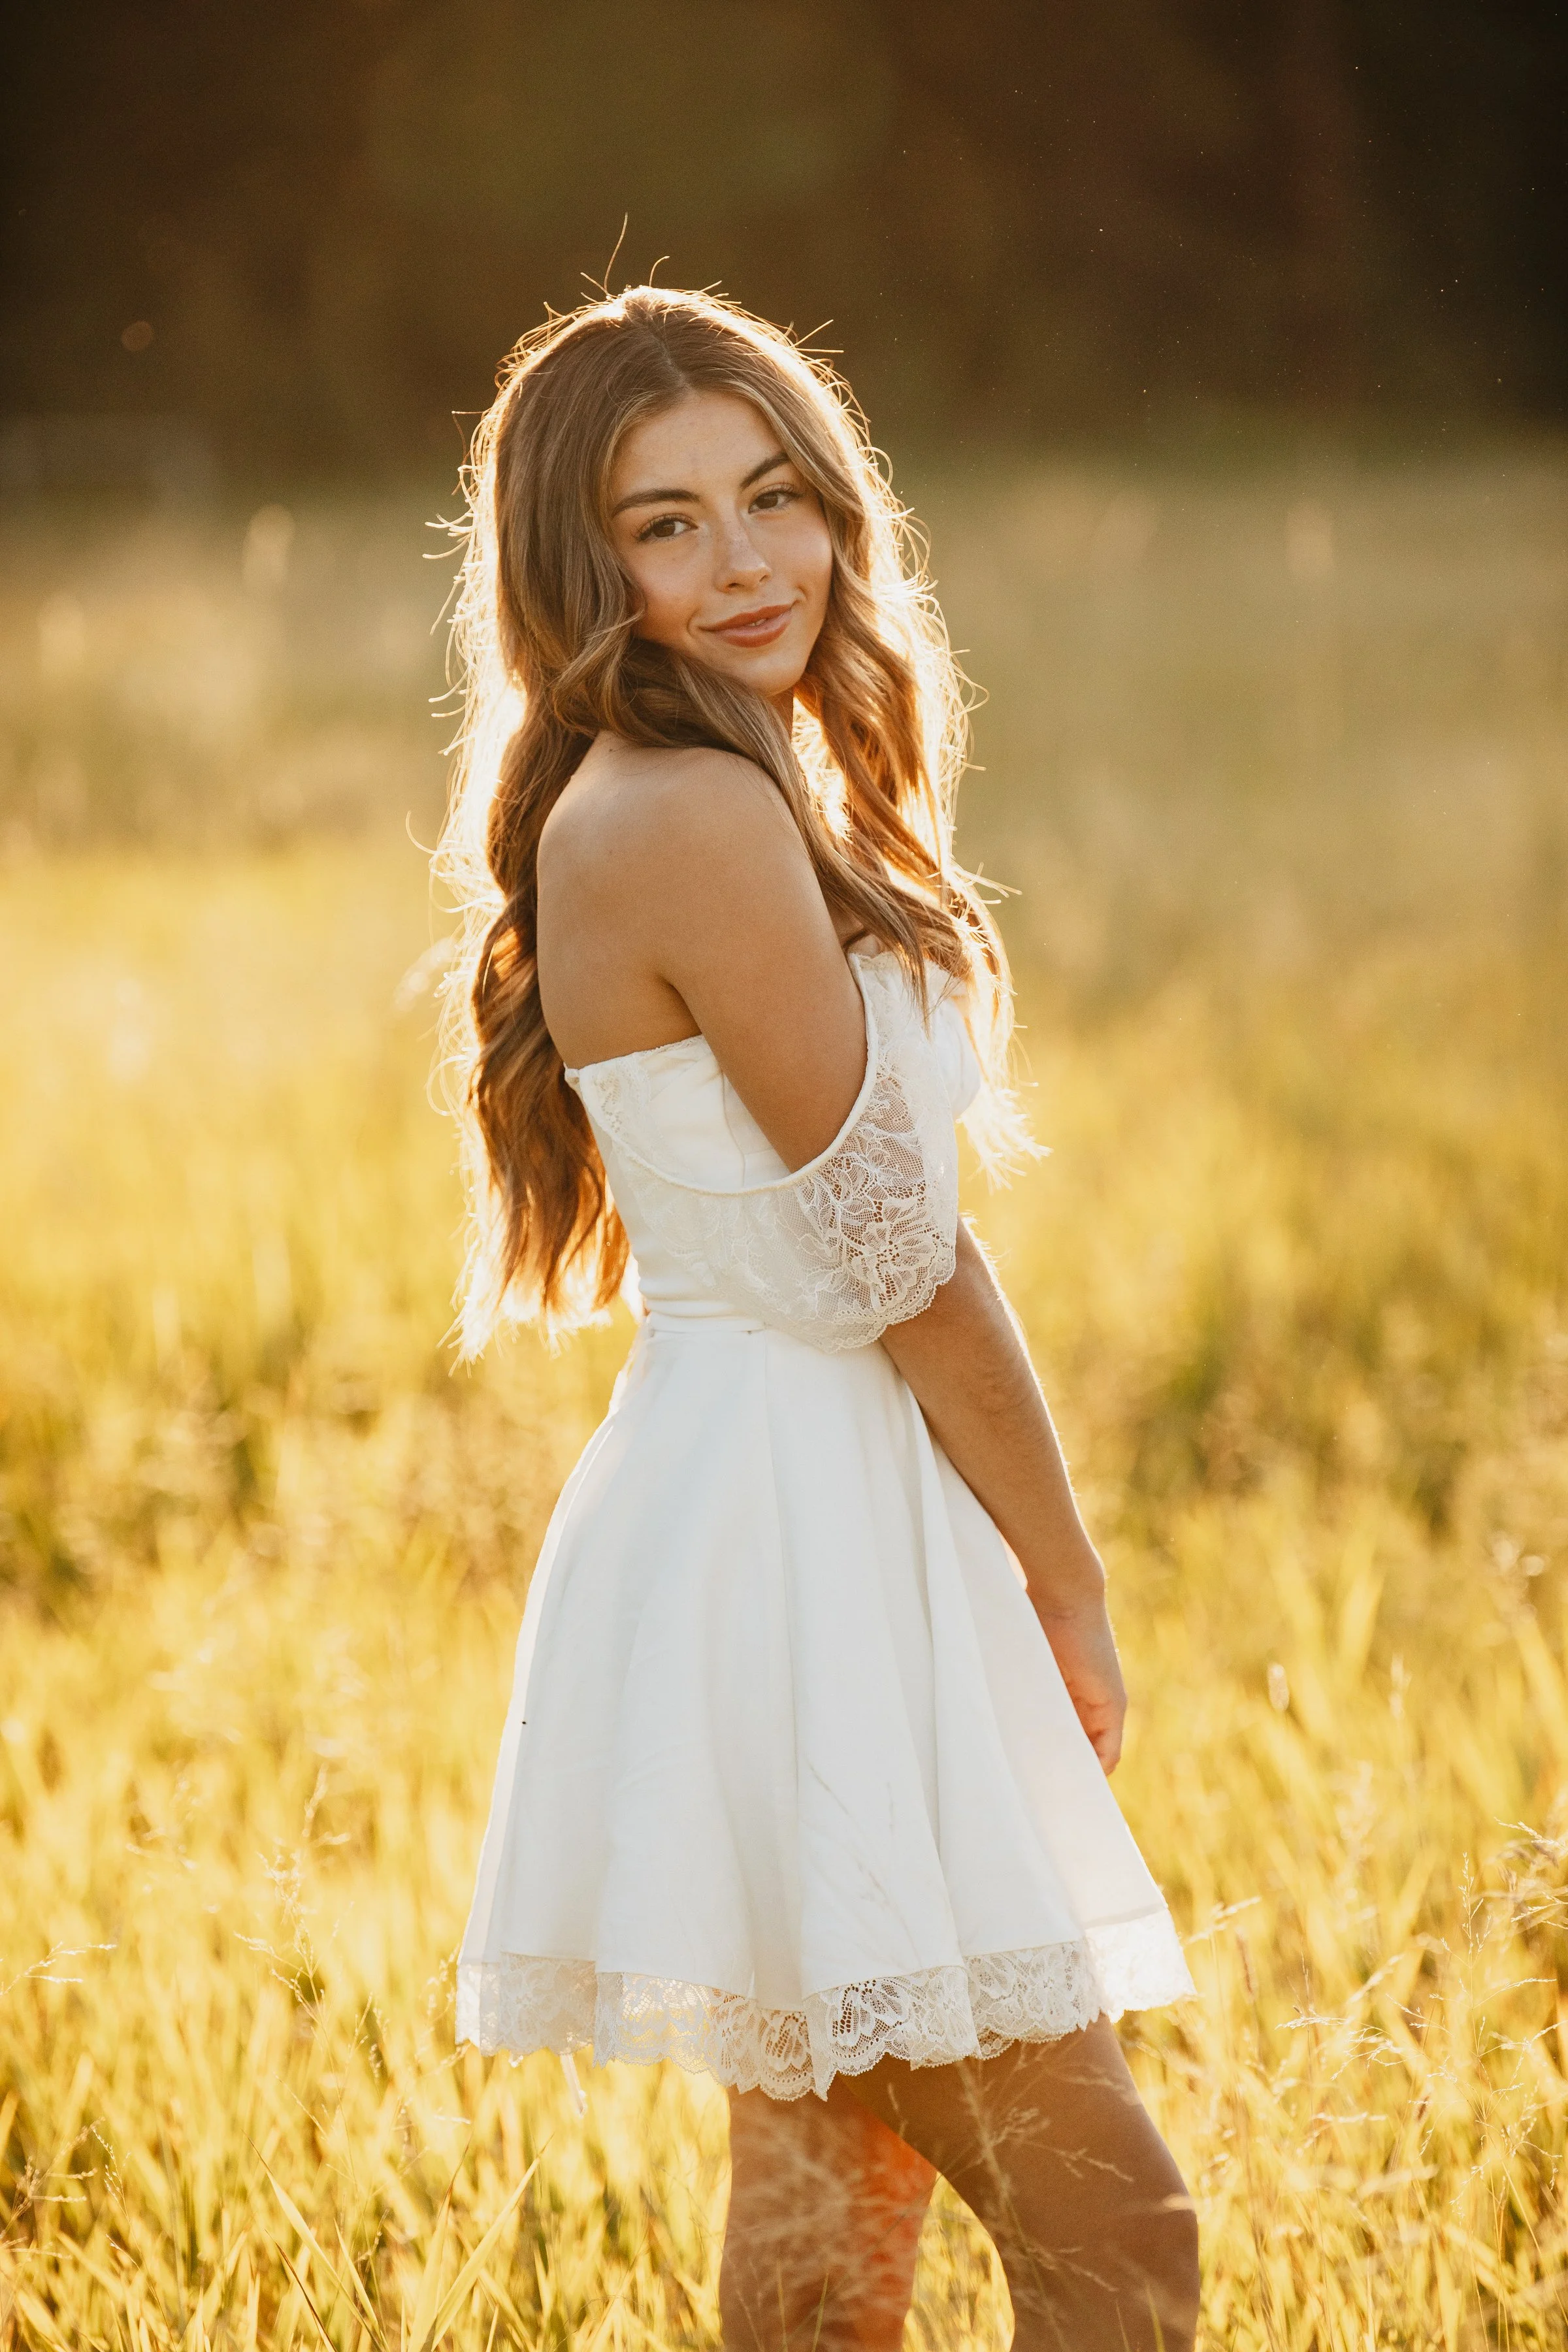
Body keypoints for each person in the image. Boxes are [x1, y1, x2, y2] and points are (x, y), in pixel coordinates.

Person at [441, 286, 1199, 2349]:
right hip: (801, 1540)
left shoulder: (723, 786)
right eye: (668, 522)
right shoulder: (682, 810)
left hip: (792, 1511)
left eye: (777, 494)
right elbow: (905, 1270)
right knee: (1119, 2240)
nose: (750, 559)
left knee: (824, 2219)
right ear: (577, 566)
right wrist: (1065, 1582)